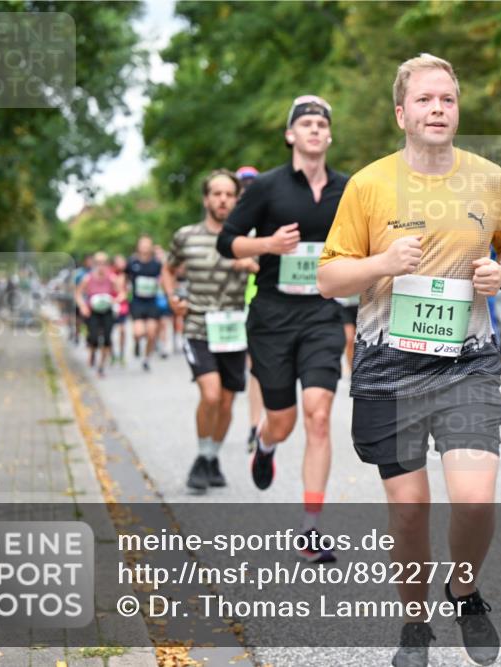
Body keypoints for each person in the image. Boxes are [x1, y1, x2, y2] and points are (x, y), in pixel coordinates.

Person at [317, 53, 501, 667]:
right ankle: (415, 625)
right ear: (401, 113)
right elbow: (329, 277)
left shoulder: (489, 179)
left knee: (475, 498)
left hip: (466, 362)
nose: (438, 109)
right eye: (425, 100)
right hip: (388, 365)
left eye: (448, 99)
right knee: (409, 513)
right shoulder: (368, 185)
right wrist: (382, 264)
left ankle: (463, 590)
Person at [218, 95, 348, 563]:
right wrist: (268, 243)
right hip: (272, 318)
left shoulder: (348, 190)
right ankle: (266, 443)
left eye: (321, 124)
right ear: (291, 135)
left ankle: (311, 529)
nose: (314, 129)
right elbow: (226, 241)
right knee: (284, 421)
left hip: (321, 314)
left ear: (329, 135)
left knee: (318, 413)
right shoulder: (267, 188)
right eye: (305, 123)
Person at [163, 169, 258, 492]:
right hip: (198, 325)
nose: (223, 200)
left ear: (236, 199)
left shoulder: (246, 239)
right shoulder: (186, 235)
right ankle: (203, 458)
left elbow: (267, 267)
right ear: (206, 199)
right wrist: (172, 296)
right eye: (216, 194)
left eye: (229, 194)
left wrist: (249, 264)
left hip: (233, 330)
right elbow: (169, 268)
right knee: (211, 394)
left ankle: (211, 459)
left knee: (228, 403)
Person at [235, 165, 266, 449]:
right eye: (242, 184)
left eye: (251, 184)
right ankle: (253, 423)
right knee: (250, 366)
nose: (246, 188)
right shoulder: (232, 219)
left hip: (261, 298)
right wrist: (241, 261)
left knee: (257, 366)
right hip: (233, 302)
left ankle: (256, 425)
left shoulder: (270, 213)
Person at [75, 252, 125, 378]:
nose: (101, 266)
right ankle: (92, 352)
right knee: (93, 338)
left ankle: (101, 367)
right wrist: (83, 306)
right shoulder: (88, 278)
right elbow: (78, 294)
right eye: (98, 263)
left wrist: (115, 300)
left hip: (107, 311)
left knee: (107, 339)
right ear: (94, 264)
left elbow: (122, 293)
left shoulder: (112, 278)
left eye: (104, 263)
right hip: (93, 311)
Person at [127, 235, 163, 371]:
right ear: (138, 246)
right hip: (137, 302)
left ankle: (146, 359)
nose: (145, 247)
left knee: (152, 333)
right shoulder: (132, 263)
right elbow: (123, 277)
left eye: (148, 244)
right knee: (139, 332)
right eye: (143, 244)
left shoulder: (157, 264)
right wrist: (121, 292)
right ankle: (136, 342)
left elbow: (164, 277)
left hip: (152, 302)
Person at [155, 245, 174, 359]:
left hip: (163, 298)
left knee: (164, 322)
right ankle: (157, 342)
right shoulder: (151, 268)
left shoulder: (167, 269)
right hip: (152, 299)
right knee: (155, 324)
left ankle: (165, 345)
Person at [110, 255, 130, 365]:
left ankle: (122, 354)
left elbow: (126, 292)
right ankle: (112, 354)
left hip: (122, 306)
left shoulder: (126, 276)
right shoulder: (110, 275)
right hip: (111, 305)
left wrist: (120, 298)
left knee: (122, 330)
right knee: (110, 332)